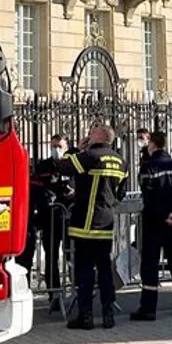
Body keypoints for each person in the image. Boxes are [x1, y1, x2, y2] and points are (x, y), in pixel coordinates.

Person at [55, 125, 128, 330]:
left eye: (92, 132)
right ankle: (108, 315)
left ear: (100, 136)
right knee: (104, 268)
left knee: (84, 270)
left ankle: (85, 316)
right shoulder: (121, 161)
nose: (88, 134)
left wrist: (77, 150)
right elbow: (121, 193)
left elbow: (63, 166)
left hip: (85, 221)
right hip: (106, 221)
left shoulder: (90, 156)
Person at [131, 131, 172, 321]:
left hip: (154, 222)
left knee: (150, 264)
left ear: (152, 145)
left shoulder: (148, 168)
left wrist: (164, 215)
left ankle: (148, 308)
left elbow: (150, 197)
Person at [16, 156, 66, 312]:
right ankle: (27, 295)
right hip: (32, 224)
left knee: (50, 258)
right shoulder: (34, 182)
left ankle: (54, 296)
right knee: (26, 261)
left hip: (47, 222)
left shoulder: (62, 174)